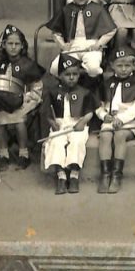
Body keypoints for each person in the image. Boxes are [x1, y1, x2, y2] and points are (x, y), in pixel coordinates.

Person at [0, 24, 45, 170]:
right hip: (4, 103)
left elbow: (37, 87)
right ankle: (4, 154)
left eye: (17, 44)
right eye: (10, 43)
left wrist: (27, 97)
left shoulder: (28, 65)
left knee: (18, 119)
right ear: (4, 45)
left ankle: (24, 153)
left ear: (22, 46)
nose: (13, 47)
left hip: (25, 101)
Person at [40, 54, 96, 195]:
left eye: (75, 74)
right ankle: (61, 176)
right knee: (56, 142)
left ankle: (74, 175)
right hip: (60, 124)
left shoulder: (84, 92)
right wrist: (52, 123)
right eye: (67, 74)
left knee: (77, 142)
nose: (71, 77)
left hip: (77, 124)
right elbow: (46, 112)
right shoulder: (52, 92)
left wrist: (82, 122)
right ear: (60, 75)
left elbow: (90, 112)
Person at [46, 0, 117, 83]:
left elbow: (111, 30)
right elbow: (56, 32)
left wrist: (99, 44)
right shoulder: (66, 10)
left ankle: (93, 88)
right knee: (55, 68)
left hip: (91, 45)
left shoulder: (98, 9)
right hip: (72, 46)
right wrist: (63, 45)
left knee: (93, 68)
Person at [95, 48, 135, 194]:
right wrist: (104, 115)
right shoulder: (106, 83)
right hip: (110, 120)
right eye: (120, 65)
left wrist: (122, 119)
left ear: (133, 66)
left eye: (127, 66)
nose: (123, 69)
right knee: (105, 136)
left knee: (119, 136)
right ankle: (105, 174)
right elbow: (99, 105)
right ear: (112, 65)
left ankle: (117, 175)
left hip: (130, 122)